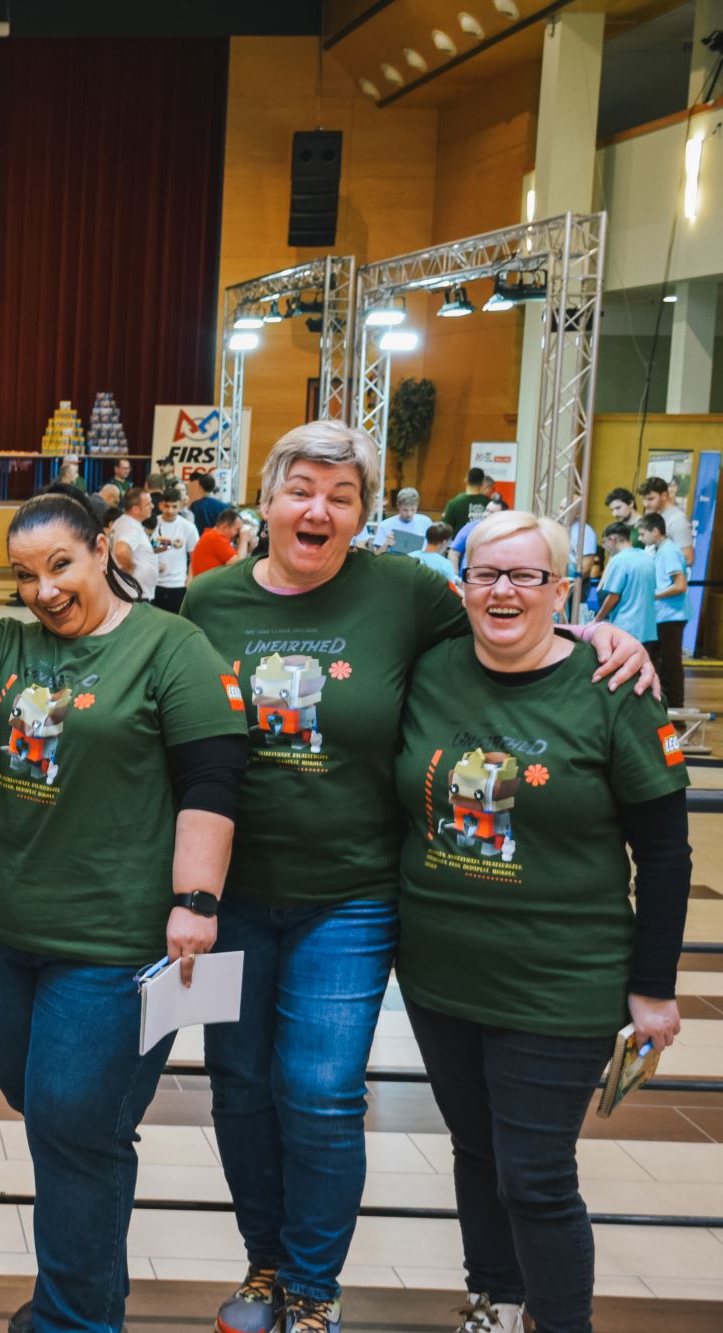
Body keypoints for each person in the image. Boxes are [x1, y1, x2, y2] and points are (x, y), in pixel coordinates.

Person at [180, 423, 652, 1333]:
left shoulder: (402, 591)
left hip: (352, 895)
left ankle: (313, 1287)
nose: (318, 509)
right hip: (228, 894)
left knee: (321, 1091)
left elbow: (507, 618)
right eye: (301, 488)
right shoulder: (210, 598)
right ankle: (265, 1264)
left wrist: (595, 630)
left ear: (362, 513)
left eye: (342, 495)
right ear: (266, 500)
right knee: (238, 1086)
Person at [0, 491, 245, 1333]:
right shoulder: (13, 643)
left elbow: (211, 780)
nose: (45, 590)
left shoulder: (171, 647)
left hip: (113, 942)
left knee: (74, 1123)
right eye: (25, 576)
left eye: (60, 565)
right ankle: (84, 1298)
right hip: (1, 933)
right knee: (57, 1114)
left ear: (103, 550)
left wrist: (196, 901)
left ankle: (73, 1317)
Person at [395, 511, 689, 1333]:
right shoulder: (430, 668)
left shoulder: (613, 686)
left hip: (562, 979)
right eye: (486, 573)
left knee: (535, 1173)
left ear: (561, 589)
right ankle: (495, 1305)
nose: (504, 590)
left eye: (527, 575)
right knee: (477, 1152)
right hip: (440, 974)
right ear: (462, 585)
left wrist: (653, 987)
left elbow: (666, 852)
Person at [639, 512, 689, 708]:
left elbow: (680, 586)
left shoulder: (670, 552)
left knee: (671, 664)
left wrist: (653, 595)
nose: (641, 539)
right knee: (659, 662)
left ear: (655, 531)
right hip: (662, 615)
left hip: (671, 615)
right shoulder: (660, 550)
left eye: (643, 534)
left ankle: (676, 708)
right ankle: (661, 704)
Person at [594, 522, 657, 650]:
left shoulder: (619, 560)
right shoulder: (647, 558)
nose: (605, 547)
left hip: (626, 627)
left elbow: (613, 596)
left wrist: (597, 619)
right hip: (647, 628)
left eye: (604, 542)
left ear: (613, 539)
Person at [153, 487, 198, 614]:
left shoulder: (188, 527)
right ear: (160, 505)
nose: (170, 510)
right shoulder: (152, 524)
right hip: (153, 584)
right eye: (167, 506)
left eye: (174, 506)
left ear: (181, 505)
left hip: (177, 585)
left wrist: (189, 581)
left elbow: (195, 556)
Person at [109, 483, 157, 602]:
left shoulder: (122, 521)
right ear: (135, 509)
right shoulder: (131, 527)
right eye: (148, 504)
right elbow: (121, 551)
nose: (152, 506)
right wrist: (129, 568)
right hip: (134, 594)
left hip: (131, 591)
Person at [640, 475, 695, 569]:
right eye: (644, 499)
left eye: (650, 499)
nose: (646, 504)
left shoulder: (678, 520)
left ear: (664, 495)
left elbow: (688, 558)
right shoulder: (655, 515)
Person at [370, 488, 429, 555]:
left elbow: (433, 549)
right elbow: (377, 555)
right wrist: (386, 544)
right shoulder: (384, 525)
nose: (409, 514)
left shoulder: (426, 522)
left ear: (417, 506)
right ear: (398, 506)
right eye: (405, 510)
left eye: (413, 510)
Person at [191, 508, 246, 579]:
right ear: (225, 527)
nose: (239, 534)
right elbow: (238, 565)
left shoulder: (210, 536)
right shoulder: (215, 538)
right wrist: (244, 540)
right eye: (237, 530)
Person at [414, 523, 461, 592]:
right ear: (444, 542)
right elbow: (451, 592)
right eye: (449, 542)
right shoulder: (446, 565)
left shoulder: (410, 556)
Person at [441, 467, 488, 534]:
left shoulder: (454, 503)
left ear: (466, 480)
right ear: (483, 483)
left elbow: (444, 528)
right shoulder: (489, 503)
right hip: (482, 539)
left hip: (460, 540)